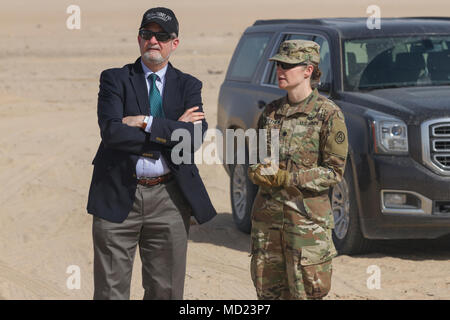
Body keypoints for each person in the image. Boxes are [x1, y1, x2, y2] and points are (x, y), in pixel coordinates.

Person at [86, 7, 216, 300]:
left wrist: (146, 122)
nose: (153, 41)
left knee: (166, 291)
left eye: (162, 35)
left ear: (175, 43)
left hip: (169, 199)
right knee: (110, 292)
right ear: (139, 39)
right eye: (147, 34)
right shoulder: (114, 79)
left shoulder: (188, 85)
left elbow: (193, 138)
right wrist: (170, 132)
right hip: (118, 193)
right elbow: (112, 133)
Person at [248, 40, 348, 300]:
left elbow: (334, 171)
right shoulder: (270, 113)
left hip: (306, 229)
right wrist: (256, 170)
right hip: (268, 226)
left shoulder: (328, 114)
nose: (280, 70)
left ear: (308, 70)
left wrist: (288, 178)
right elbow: (255, 159)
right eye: (279, 64)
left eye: (288, 65)